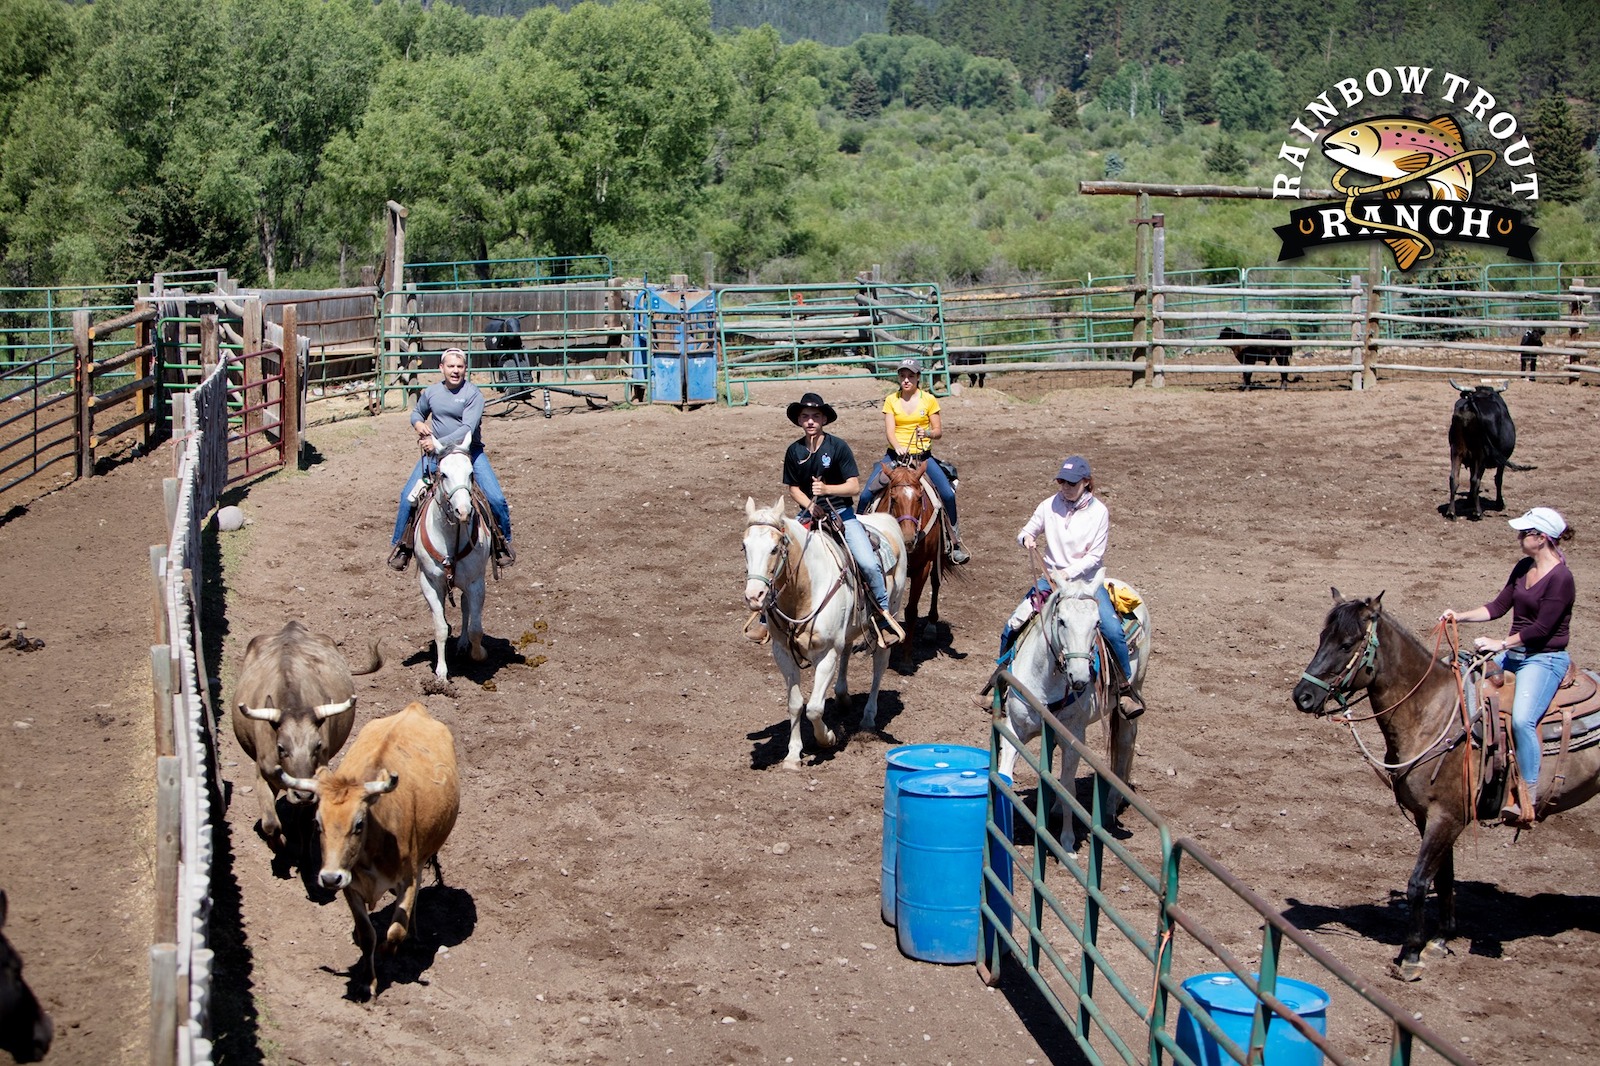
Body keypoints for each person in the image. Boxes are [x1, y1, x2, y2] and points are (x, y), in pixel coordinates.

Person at [1441, 506, 1576, 825]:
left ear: (1541, 538)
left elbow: (1542, 629)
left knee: (1523, 721)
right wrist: (1460, 616)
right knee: (1459, 674)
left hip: (1544, 658)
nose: (1518, 537)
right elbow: (1498, 607)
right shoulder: (1523, 567)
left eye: (1524, 533)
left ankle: (1527, 796)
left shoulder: (1561, 579)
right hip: (1516, 653)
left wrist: (1501, 644)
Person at [989, 455, 1140, 712]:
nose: (1065, 487)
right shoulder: (1049, 505)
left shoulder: (1099, 513)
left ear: (1086, 482)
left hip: (1086, 584)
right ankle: (1000, 681)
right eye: (1062, 482)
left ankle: (1125, 689)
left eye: (1071, 483)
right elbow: (1027, 530)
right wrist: (1026, 539)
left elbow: (1094, 556)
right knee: (1013, 623)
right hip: (1051, 581)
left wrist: (1067, 574)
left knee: (1113, 631)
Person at [781, 391, 905, 647]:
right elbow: (793, 488)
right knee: (779, 554)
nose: (810, 421)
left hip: (843, 516)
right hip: (809, 514)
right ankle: (768, 616)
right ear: (799, 421)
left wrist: (827, 491)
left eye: (816, 416)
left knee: (869, 564)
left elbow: (853, 487)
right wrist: (810, 506)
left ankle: (882, 616)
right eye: (805, 416)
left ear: (824, 419)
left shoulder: (838, 447)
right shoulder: (794, 451)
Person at [388, 348, 515, 571]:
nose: (455, 371)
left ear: (465, 369)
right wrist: (419, 424)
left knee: (496, 498)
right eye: (451, 366)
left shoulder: (473, 394)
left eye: (459, 367)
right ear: (442, 368)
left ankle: (501, 543)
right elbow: (417, 413)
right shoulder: (432, 392)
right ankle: (403, 545)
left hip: (470, 453)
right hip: (437, 456)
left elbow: (467, 429)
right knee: (408, 496)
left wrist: (436, 442)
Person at [857, 358, 970, 565]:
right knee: (865, 494)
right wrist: (897, 445)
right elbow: (890, 431)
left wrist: (926, 432)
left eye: (910, 376)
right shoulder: (892, 400)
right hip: (895, 456)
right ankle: (856, 537)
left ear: (918, 377)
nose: (906, 380)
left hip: (922, 457)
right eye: (902, 376)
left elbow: (938, 432)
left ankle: (954, 543)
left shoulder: (929, 400)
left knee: (946, 494)